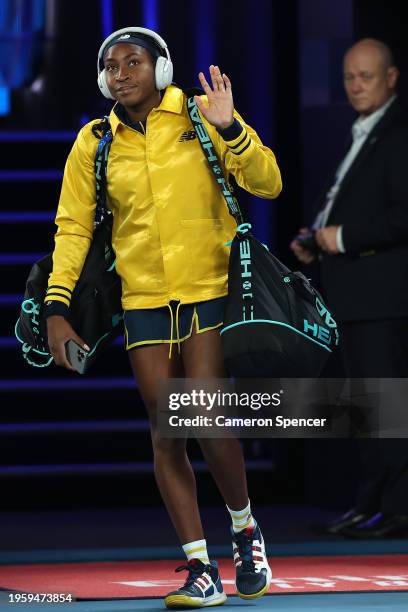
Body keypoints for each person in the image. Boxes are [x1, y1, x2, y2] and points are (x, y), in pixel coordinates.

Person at [44, 27, 282, 608]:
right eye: (111, 66)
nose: (121, 73)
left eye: (134, 62)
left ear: (162, 69)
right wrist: (55, 305)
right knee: (165, 427)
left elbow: (268, 183)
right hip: (144, 298)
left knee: (205, 414)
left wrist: (232, 127)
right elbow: (73, 228)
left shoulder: (200, 116)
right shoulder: (94, 141)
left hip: (208, 288)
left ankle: (245, 528)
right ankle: (201, 566)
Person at [291, 38, 408, 538]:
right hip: (351, 296)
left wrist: (340, 237)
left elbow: (402, 215)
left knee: (388, 407)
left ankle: (398, 508)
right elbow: (346, 202)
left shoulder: (399, 134)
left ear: (391, 78)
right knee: (366, 409)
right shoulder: (364, 131)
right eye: (348, 77)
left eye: (365, 76)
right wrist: (315, 239)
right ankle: (371, 503)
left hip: (383, 296)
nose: (355, 86)